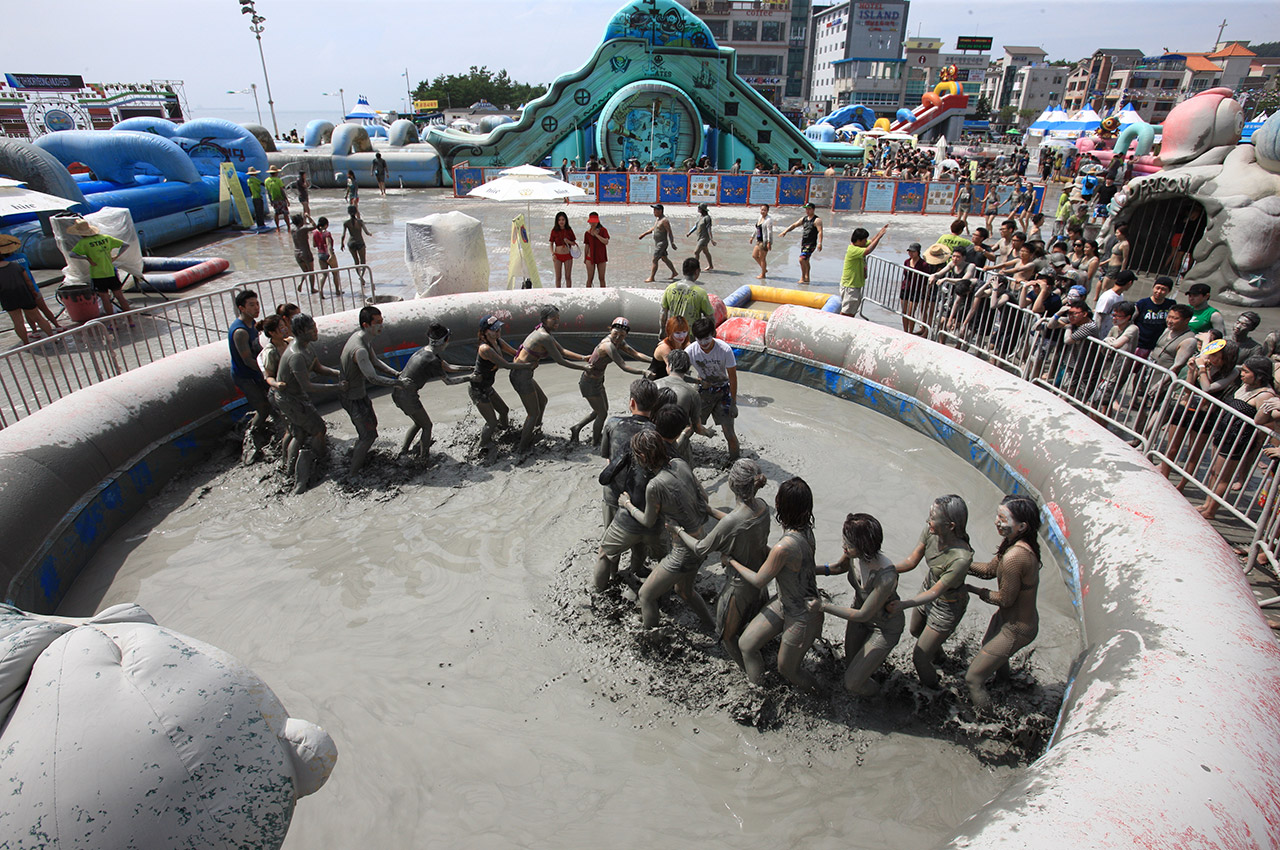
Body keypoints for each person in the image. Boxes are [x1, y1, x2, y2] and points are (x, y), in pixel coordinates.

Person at [727, 477, 822, 692]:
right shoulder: (806, 531)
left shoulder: (784, 546)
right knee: (746, 645)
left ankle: (821, 696)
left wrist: (731, 561)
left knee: (787, 670)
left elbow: (760, 579)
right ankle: (758, 690)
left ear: (780, 506)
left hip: (802, 615)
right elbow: (787, 563)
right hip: (786, 601)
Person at [675, 458, 770, 670]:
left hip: (738, 591)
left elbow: (700, 548)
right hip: (760, 583)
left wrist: (678, 531)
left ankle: (749, 675)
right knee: (753, 632)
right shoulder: (762, 507)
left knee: (727, 636)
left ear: (732, 483)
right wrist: (710, 511)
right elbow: (736, 522)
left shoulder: (731, 522)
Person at [618, 430, 715, 631]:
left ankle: (651, 638)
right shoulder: (680, 463)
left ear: (643, 457)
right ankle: (710, 626)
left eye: (636, 454)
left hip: (683, 552)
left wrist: (627, 505)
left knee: (645, 595)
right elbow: (704, 498)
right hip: (701, 541)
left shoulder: (654, 486)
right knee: (684, 591)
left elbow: (647, 521)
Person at [963, 495, 1042, 710]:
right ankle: (1004, 683)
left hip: (1017, 629)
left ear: (1022, 526)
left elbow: (1004, 600)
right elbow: (989, 570)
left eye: (1002, 518)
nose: (997, 522)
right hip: (1008, 620)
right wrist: (962, 563)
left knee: (973, 679)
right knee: (989, 651)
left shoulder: (1015, 557)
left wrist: (973, 589)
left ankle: (989, 724)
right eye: (997, 516)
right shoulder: (1014, 542)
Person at [889, 495, 975, 690]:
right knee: (915, 631)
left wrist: (904, 604)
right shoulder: (930, 531)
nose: (928, 521)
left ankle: (935, 692)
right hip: (928, 588)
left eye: (932, 517)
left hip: (948, 605)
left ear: (950, 525)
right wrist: (886, 569)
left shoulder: (961, 558)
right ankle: (941, 659)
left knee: (919, 658)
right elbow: (911, 561)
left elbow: (937, 592)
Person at [814, 512, 903, 697]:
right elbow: (838, 567)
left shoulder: (886, 576)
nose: (843, 546)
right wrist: (809, 570)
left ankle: (881, 697)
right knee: (850, 664)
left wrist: (822, 606)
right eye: (844, 540)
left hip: (884, 627)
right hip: (859, 613)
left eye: (849, 544)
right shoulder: (854, 554)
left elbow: (864, 614)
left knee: (852, 683)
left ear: (864, 546)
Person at [273, 313, 346, 493]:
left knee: (298, 433)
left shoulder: (307, 348)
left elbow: (318, 368)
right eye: (312, 328)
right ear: (301, 331)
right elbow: (308, 386)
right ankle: (319, 462)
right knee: (318, 429)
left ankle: (290, 469)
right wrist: (337, 388)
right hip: (290, 399)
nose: (316, 330)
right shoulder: (296, 355)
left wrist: (339, 374)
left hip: (293, 396)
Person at [1201, 356, 1278, 520]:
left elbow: (1259, 421)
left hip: (1238, 439)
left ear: (1259, 375)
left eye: (1246, 371)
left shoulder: (1265, 395)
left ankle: (1211, 510)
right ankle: (1206, 504)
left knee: (1223, 476)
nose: (1241, 374)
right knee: (1214, 472)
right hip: (1224, 431)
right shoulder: (1245, 385)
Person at [1159, 338, 1239, 489]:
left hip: (1206, 414)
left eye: (1217, 356)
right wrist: (1191, 370)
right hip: (1185, 407)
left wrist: (1202, 369)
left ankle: (1182, 485)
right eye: (1212, 354)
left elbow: (1207, 389)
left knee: (1193, 453)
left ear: (1227, 357)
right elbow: (1189, 389)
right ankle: (1164, 477)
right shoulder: (1203, 363)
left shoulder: (1232, 372)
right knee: (1172, 447)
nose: (1212, 359)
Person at [511, 304, 591, 455]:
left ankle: (535, 432)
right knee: (532, 413)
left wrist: (583, 358)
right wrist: (584, 368)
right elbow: (560, 360)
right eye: (553, 319)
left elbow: (562, 350)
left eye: (558, 319)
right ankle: (522, 448)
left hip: (523, 375)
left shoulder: (543, 332)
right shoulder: (543, 336)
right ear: (544, 319)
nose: (556, 322)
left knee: (543, 401)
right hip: (521, 377)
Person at [339, 305, 405, 476]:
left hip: (359, 394)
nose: (381, 326)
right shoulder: (359, 348)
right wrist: (398, 384)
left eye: (382, 321)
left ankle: (359, 459)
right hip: (352, 397)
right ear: (366, 324)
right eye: (377, 323)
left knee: (371, 429)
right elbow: (372, 378)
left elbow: (375, 361)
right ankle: (353, 474)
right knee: (367, 435)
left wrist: (396, 373)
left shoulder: (363, 339)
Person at [393, 323, 473, 460]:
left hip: (398, 393)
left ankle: (404, 451)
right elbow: (449, 381)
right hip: (407, 397)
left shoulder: (426, 351)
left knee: (419, 423)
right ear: (446, 340)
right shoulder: (432, 360)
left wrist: (470, 367)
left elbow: (448, 367)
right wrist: (470, 378)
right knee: (427, 425)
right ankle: (424, 459)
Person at [570, 317, 652, 446]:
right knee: (601, 414)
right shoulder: (608, 345)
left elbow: (636, 354)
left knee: (601, 410)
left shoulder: (619, 343)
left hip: (598, 380)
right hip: (589, 382)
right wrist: (643, 372)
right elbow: (623, 366)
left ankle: (577, 427)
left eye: (622, 335)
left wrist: (654, 361)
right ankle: (595, 442)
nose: (618, 338)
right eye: (615, 334)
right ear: (610, 330)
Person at [469, 316, 533, 462]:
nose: (497, 331)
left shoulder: (498, 342)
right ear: (484, 332)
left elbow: (515, 353)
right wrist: (527, 366)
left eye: (498, 328)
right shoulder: (485, 349)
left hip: (487, 386)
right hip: (478, 389)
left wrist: (531, 354)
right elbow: (506, 365)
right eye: (493, 330)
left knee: (504, 411)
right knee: (491, 422)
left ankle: (502, 434)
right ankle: (481, 447)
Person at [228, 289, 272, 463]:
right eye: (251, 305)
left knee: (270, 401)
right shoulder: (240, 332)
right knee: (263, 408)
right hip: (245, 376)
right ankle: (250, 438)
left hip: (256, 372)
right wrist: (267, 372)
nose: (256, 308)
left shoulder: (253, 324)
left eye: (257, 304)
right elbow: (247, 360)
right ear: (241, 308)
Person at [689, 316, 740, 463]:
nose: (704, 343)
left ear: (714, 334)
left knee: (729, 431)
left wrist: (734, 402)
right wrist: (697, 381)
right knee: (690, 428)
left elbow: (732, 378)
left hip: (723, 392)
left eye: (707, 338)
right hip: (702, 393)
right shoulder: (690, 351)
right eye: (700, 339)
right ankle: (681, 455)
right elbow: (678, 373)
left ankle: (735, 461)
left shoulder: (724, 350)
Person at [654, 348, 715, 464]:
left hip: (654, 440)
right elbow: (697, 428)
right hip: (678, 443)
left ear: (669, 366)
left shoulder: (654, 385)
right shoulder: (692, 394)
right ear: (687, 369)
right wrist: (708, 433)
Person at [67, 218, 130, 316]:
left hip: (98, 274)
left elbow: (72, 254)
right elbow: (125, 245)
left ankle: (113, 322)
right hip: (111, 272)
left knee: (105, 299)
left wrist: (87, 258)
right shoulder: (105, 238)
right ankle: (130, 319)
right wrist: (116, 256)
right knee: (120, 296)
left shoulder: (84, 243)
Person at [0, 235, 55, 345]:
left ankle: (26, 343)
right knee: (39, 316)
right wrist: (33, 291)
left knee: (18, 322)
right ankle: (53, 335)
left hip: (7, 296)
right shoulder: (17, 263)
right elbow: (28, 280)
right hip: (25, 292)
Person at [838, 225, 888, 319]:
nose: (866, 242)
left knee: (852, 310)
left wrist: (879, 234)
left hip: (855, 285)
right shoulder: (853, 250)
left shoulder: (859, 245)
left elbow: (871, 242)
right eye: (865, 240)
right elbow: (869, 250)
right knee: (846, 312)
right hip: (850, 286)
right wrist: (879, 237)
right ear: (858, 240)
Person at [659, 258, 714, 330]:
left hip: (674, 332)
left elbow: (663, 312)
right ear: (697, 271)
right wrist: (712, 333)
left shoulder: (670, 288)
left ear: (683, 271)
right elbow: (710, 316)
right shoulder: (700, 293)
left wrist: (662, 330)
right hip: (690, 334)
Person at [1133, 275, 1176, 359]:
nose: (1159, 291)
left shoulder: (1171, 304)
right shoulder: (1142, 303)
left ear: (1169, 291)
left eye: (1163, 289)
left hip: (1157, 346)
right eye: (1157, 288)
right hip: (1139, 344)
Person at [780, 203, 823, 284]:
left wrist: (820, 243)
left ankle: (802, 277)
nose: (807, 210)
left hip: (811, 244)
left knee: (801, 259)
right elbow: (794, 225)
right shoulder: (804, 219)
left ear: (813, 209)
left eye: (809, 209)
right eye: (806, 209)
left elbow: (820, 232)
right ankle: (807, 277)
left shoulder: (817, 220)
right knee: (806, 260)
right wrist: (785, 231)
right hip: (804, 243)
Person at [638, 204, 678, 282]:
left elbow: (669, 232)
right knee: (664, 258)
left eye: (655, 210)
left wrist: (672, 243)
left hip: (662, 244)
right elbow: (654, 228)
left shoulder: (664, 221)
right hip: (658, 243)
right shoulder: (658, 219)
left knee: (655, 260)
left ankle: (652, 277)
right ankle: (674, 272)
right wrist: (644, 234)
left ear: (660, 211)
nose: (654, 212)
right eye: (654, 210)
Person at [900, 242, 932, 335]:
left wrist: (926, 290)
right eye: (909, 251)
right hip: (905, 288)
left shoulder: (924, 264)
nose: (911, 253)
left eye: (913, 252)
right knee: (904, 312)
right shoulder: (906, 261)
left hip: (916, 290)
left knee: (911, 313)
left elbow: (926, 279)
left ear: (918, 252)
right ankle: (905, 331)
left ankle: (910, 332)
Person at [1094, 269, 1135, 338]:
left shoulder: (1120, 296)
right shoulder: (1108, 297)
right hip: (1099, 336)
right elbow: (1098, 318)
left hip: (1109, 334)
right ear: (1130, 283)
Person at [647, 316, 690, 381]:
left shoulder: (687, 344)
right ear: (670, 332)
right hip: (655, 382)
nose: (682, 336)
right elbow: (671, 370)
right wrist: (695, 380)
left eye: (684, 332)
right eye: (677, 333)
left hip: (671, 380)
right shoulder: (664, 347)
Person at [1096, 224, 1129, 302]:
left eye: (1118, 233)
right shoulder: (1118, 242)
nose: (1116, 234)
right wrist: (1103, 262)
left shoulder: (1125, 244)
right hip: (1110, 266)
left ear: (1123, 234)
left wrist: (1122, 270)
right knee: (1105, 286)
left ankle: (1106, 302)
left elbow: (1125, 258)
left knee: (1106, 286)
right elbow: (1113, 257)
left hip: (1115, 267)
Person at [312, 217, 341, 297]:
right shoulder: (327, 233)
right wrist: (331, 255)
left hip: (320, 254)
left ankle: (321, 291)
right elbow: (329, 244)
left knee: (324, 274)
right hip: (328, 254)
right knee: (335, 273)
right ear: (326, 225)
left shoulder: (314, 232)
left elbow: (314, 245)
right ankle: (337, 291)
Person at [548, 211, 577, 288]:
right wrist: (553, 253)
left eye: (563, 219)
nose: (561, 221)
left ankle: (569, 291)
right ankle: (558, 291)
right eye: (559, 220)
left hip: (568, 255)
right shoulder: (554, 230)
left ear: (566, 220)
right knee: (558, 277)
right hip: (557, 256)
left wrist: (568, 241)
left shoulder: (569, 230)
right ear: (557, 221)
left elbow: (574, 243)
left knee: (568, 276)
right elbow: (551, 243)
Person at [290, 214, 318, 291]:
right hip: (305, 252)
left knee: (305, 271)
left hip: (296, 253)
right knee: (311, 271)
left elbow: (304, 226)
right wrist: (309, 216)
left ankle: (301, 284)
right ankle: (312, 288)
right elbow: (314, 226)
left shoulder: (292, 230)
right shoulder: (303, 229)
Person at [583, 211, 610, 288]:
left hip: (601, 256)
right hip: (590, 257)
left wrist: (596, 235)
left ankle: (604, 293)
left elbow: (606, 241)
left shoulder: (603, 230)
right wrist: (585, 258)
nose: (593, 223)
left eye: (594, 221)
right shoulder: (587, 233)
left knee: (601, 278)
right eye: (591, 222)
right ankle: (587, 293)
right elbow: (586, 246)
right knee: (589, 279)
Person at [340, 206, 371, 270]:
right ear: (356, 212)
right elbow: (366, 232)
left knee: (356, 262)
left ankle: (358, 275)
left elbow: (343, 235)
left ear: (348, 212)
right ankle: (361, 276)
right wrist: (370, 234)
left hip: (351, 243)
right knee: (363, 262)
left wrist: (342, 244)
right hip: (360, 242)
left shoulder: (346, 223)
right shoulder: (360, 222)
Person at [688, 203, 715, 271]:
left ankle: (696, 268)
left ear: (702, 209)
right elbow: (696, 226)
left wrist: (711, 239)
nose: (698, 209)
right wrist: (690, 232)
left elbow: (709, 229)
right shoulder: (700, 217)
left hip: (704, 238)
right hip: (700, 237)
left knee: (696, 252)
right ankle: (711, 266)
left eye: (699, 208)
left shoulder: (707, 218)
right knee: (706, 251)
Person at [749, 204, 774, 279]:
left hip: (764, 241)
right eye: (762, 210)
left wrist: (769, 243)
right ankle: (764, 269)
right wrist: (752, 237)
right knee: (754, 255)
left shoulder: (768, 220)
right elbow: (756, 228)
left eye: (764, 210)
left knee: (762, 258)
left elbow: (770, 232)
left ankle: (763, 274)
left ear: (767, 211)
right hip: (758, 240)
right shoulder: (760, 217)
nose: (763, 211)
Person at [264, 166, 290, 231]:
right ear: (276, 173)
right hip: (281, 198)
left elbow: (268, 192)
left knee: (277, 213)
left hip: (274, 199)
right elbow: (282, 190)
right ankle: (288, 228)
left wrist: (271, 201)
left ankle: (278, 227)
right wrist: (286, 199)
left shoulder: (266, 181)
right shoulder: (278, 180)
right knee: (285, 213)